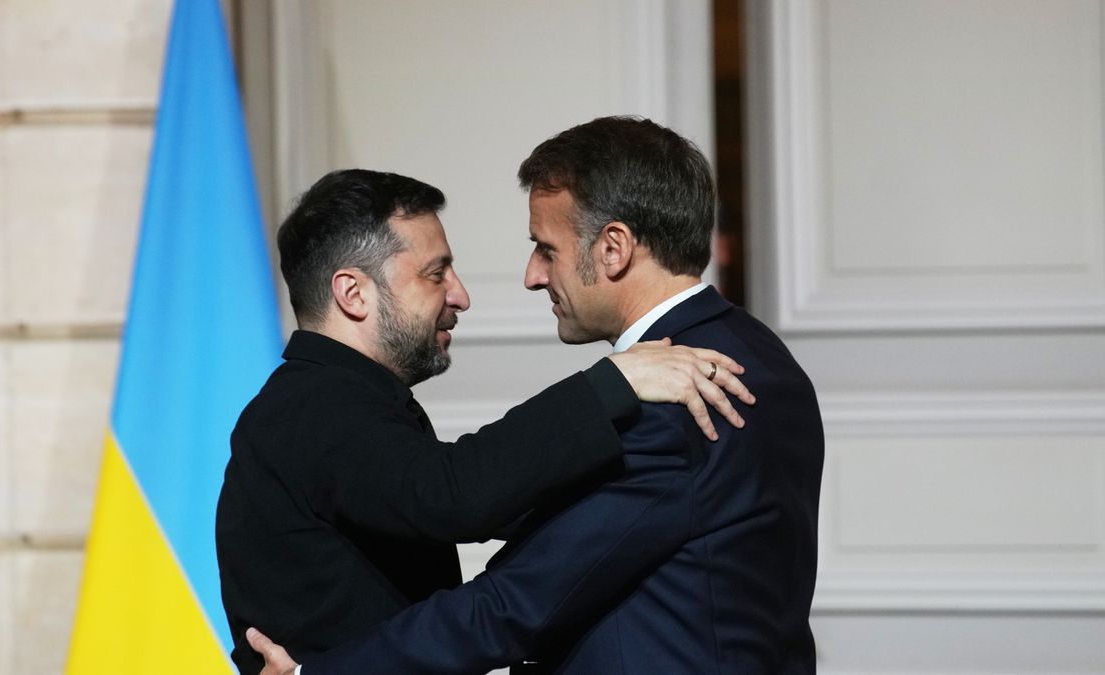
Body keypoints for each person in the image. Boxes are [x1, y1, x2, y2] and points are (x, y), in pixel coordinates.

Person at [248, 116, 825, 674]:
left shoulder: (678, 396)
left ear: (613, 248)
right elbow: (478, 495)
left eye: (546, 249)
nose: (532, 275)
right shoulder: (755, 352)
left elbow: (512, 604)